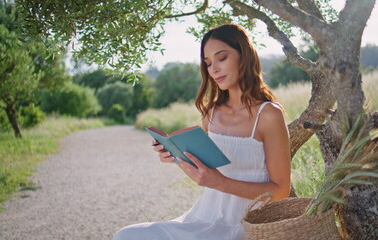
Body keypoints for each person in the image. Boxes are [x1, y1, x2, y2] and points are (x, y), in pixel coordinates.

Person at [113, 24, 291, 240]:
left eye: (222, 58)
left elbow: (281, 192)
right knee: (128, 235)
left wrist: (222, 183)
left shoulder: (268, 115)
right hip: (203, 219)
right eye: (208, 63)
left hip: (247, 226)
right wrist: (177, 157)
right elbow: (206, 174)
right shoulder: (211, 113)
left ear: (244, 56)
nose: (213, 69)